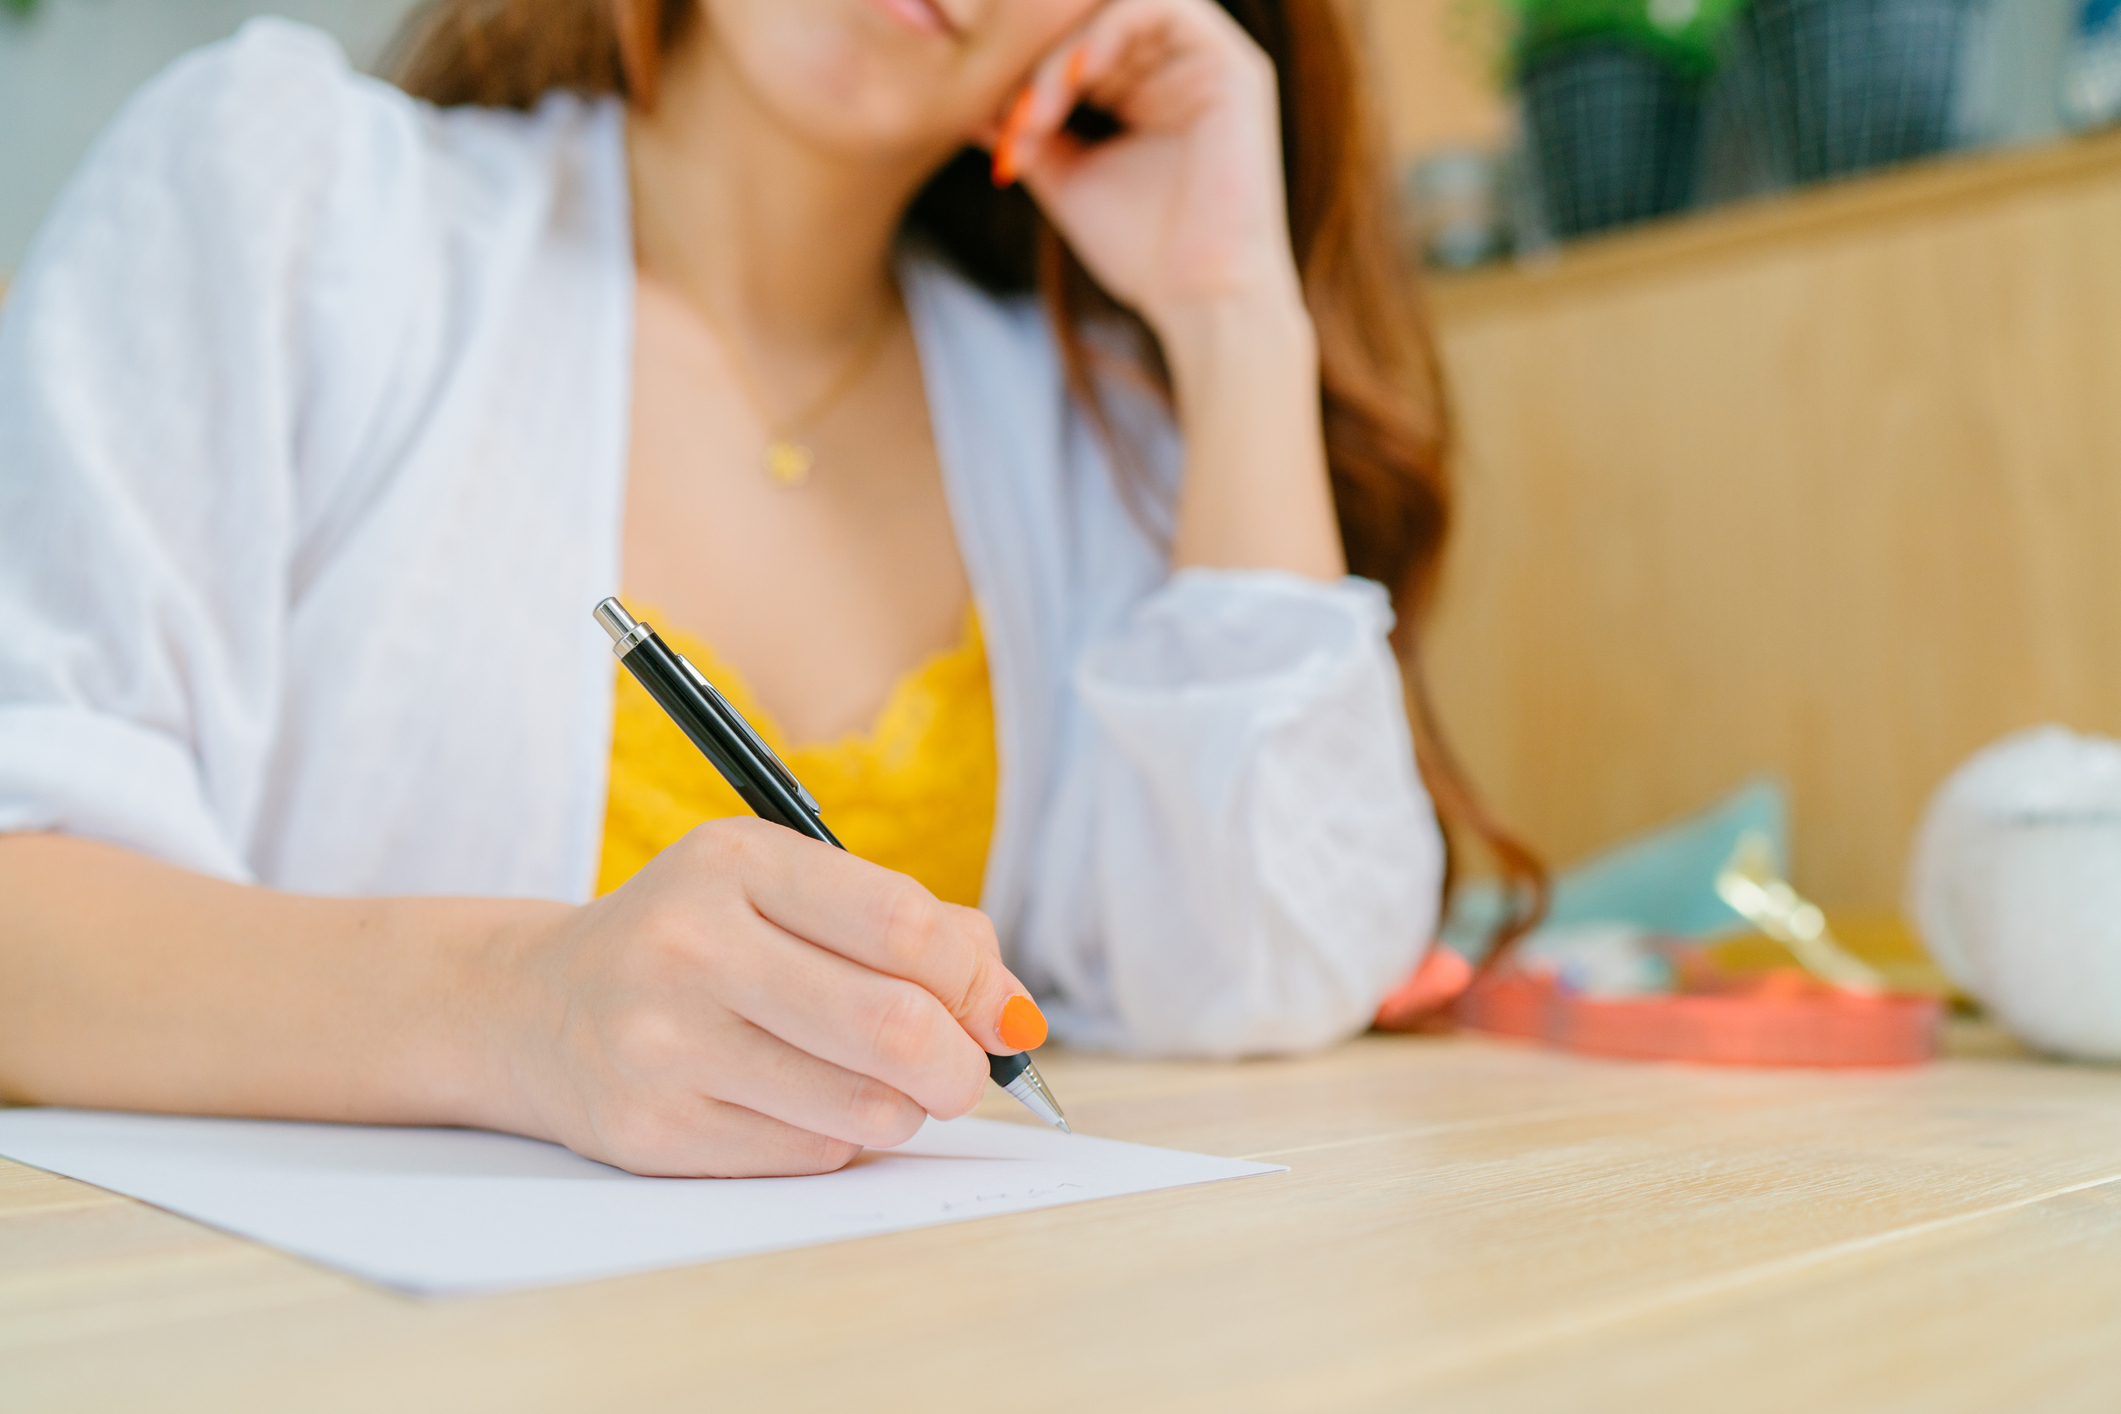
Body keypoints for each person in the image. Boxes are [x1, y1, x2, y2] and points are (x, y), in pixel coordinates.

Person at [0, 0, 1528, 1177]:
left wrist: (1232, 317)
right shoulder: (290, 200)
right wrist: (519, 1009)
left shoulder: (1082, 426)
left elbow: (1268, 974)